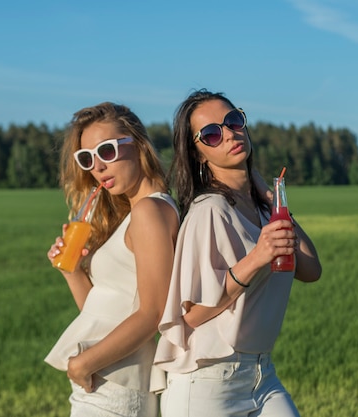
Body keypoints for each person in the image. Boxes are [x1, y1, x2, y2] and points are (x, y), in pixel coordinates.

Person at [154, 89, 322, 417]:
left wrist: (277, 205)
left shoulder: (264, 210)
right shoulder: (209, 211)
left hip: (260, 374)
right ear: (199, 154)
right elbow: (191, 315)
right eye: (212, 134)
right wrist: (256, 258)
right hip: (208, 382)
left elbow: (311, 270)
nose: (229, 134)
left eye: (233, 121)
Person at [45, 102, 180, 417]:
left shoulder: (149, 211)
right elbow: (104, 312)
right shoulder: (136, 213)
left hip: (113, 387)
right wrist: (73, 271)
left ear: (138, 144)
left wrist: (83, 363)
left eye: (106, 151)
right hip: (105, 383)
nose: (97, 167)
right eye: (87, 158)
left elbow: (153, 312)